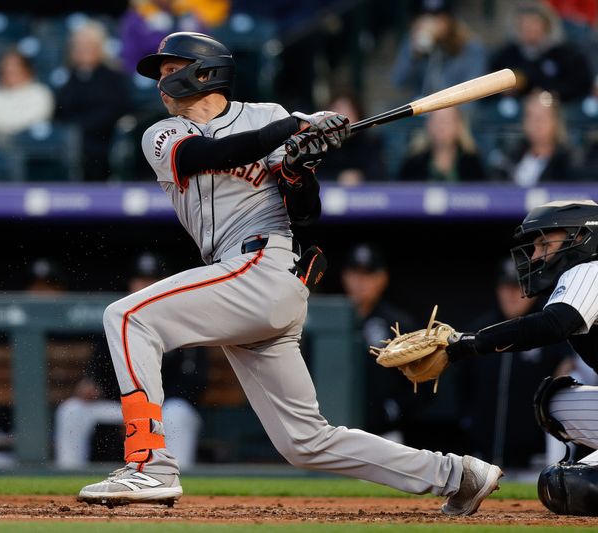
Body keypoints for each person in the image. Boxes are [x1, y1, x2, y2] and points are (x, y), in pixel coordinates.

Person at [77, 31, 502, 516]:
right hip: (240, 280)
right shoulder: (163, 133)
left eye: (171, 68)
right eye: (160, 72)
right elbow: (211, 156)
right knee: (305, 441)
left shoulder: (268, 115)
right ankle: (459, 474)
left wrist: (301, 169)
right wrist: (294, 131)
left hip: (266, 266)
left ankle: (150, 464)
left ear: (205, 70)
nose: (161, 80)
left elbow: (305, 214)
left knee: (128, 317)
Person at [445, 200, 598, 515]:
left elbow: (554, 324)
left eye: (545, 243)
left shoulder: (590, 269)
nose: (535, 255)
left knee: (568, 486)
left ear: (583, 237)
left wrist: (475, 342)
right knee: (554, 403)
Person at [55, 252, 207, 470]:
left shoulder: (182, 320)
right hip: (120, 406)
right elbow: (97, 372)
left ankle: (178, 478)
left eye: (152, 279)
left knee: (178, 412)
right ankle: (68, 479)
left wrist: (145, 411)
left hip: (164, 409)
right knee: (71, 410)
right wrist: (91, 386)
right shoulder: (117, 317)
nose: (145, 285)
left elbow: (194, 384)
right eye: (140, 279)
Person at [459, 258, 570, 468]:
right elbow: (462, 383)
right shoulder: (478, 331)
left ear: (532, 289)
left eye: (518, 286)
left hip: (536, 456)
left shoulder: (551, 329)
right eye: (506, 286)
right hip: (481, 454)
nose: (511, 294)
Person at [341, 243, 419, 441]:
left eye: (368, 273)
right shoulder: (331, 319)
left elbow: (421, 380)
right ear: (345, 276)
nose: (360, 281)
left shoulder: (398, 323)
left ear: (382, 278)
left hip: (385, 433)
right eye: (355, 273)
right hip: (335, 432)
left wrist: (394, 408)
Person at [53, 20, 130, 181]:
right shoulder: (67, 78)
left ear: (99, 48)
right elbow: (60, 111)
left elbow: (116, 109)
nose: (82, 50)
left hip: (104, 139)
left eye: (88, 45)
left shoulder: (114, 78)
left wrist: (82, 127)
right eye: (78, 45)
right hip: (72, 140)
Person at [488, 2, 593, 102]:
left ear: (546, 25)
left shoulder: (565, 54)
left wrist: (550, 94)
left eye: (533, 22)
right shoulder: (506, 56)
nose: (528, 28)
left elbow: (580, 86)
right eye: (523, 23)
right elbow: (489, 89)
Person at [391, 0, 486, 97]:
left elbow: (476, 91)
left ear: (451, 19)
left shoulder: (470, 47)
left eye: (438, 17)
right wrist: (415, 54)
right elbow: (399, 82)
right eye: (426, 17)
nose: (431, 23)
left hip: (458, 107)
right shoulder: (413, 43)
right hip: (423, 108)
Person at [490, 90, 573, 186]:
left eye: (542, 117)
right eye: (530, 117)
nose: (536, 124)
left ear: (556, 121)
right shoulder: (510, 157)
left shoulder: (569, 162)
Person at [0, 48, 54, 138]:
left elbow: (29, 122)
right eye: (5, 67)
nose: (9, 70)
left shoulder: (40, 93)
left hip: (23, 143)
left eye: (15, 67)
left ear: (27, 70)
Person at [397, 106, 486, 182]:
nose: (441, 127)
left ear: (459, 126)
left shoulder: (472, 163)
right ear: (428, 125)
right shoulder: (413, 163)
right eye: (437, 121)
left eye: (446, 121)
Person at [119, 0, 206, 75]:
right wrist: (158, 32)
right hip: (149, 74)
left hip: (186, 70)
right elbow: (132, 56)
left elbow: (202, 43)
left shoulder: (185, 12)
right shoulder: (138, 16)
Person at [317, 92, 387, 184]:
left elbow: (379, 175)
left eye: (348, 114)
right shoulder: (319, 144)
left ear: (358, 115)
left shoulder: (371, 142)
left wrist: (360, 177)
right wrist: (338, 178)